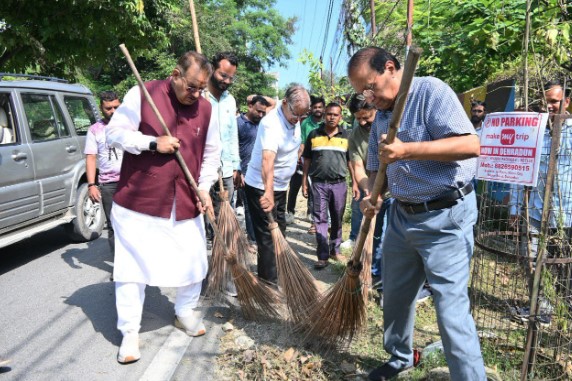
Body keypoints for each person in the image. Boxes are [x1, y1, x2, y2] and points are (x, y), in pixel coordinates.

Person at [350, 47, 485, 380]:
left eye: (370, 88)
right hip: (401, 216)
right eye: (361, 93)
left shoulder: (430, 92)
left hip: (445, 217)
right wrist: (372, 196)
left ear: (391, 69)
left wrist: (407, 149)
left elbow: (470, 145)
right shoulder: (381, 112)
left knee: (451, 313)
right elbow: (374, 170)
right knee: (395, 296)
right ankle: (400, 357)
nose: (367, 98)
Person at [106, 51, 220, 364]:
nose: (195, 94)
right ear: (175, 74)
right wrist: (152, 143)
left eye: (201, 89)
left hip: (184, 199)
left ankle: (184, 312)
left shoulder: (208, 110)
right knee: (132, 270)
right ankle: (129, 333)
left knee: (195, 262)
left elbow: (211, 154)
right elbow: (113, 134)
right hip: (139, 202)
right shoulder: (142, 94)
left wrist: (205, 187)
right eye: (191, 87)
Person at [508, 80, 572, 325]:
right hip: (535, 210)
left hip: (567, 214)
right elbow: (519, 170)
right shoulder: (533, 133)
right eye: (546, 102)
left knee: (565, 270)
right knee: (531, 260)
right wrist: (515, 207)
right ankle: (541, 309)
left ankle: (567, 311)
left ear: (566, 101)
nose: (550, 106)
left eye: (555, 101)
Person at [244, 84, 310, 283]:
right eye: (295, 115)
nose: (298, 120)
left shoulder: (291, 112)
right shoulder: (271, 124)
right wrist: (268, 193)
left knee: (280, 230)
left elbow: (273, 101)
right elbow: (267, 161)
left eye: (301, 116)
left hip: (281, 186)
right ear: (284, 104)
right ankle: (268, 282)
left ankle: (279, 270)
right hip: (261, 186)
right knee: (267, 235)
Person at [343, 95, 390, 282]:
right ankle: (374, 274)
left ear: (376, 110)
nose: (362, 122)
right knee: (376, 232)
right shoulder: (355, 136)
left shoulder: (389, 126)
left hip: (395, 192)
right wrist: (369, 189)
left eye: (366, 117)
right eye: (358, 118)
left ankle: (386, 275)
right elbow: (358, 167)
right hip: (372, 191)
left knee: (391, 236)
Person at [302, 102, 350, 269]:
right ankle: (322, 255)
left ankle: (334, 251)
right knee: (320, 219)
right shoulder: (314, 135)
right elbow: (307, 159)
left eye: (335, 115)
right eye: (329, 114)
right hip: (318, 184)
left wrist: (357, 183)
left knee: (337, 217)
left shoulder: (346, 136)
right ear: (324, 115)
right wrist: (304, 181)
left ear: (340, 117)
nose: (331, 117)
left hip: (339, 184)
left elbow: (351, 162)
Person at [205, 52, 240, 239]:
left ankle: (221, 259)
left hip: (225, 168)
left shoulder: (230, 101)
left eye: (230, 77)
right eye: (222, 75)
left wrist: (236, 165)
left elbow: (232, 135)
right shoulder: (200, 96)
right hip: (202, 169)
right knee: (203, 215)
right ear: (212, 69)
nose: (226, 81)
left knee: (224, 216)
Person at [84, 91, 122, 256]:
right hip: (109, 185)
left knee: (136, 224)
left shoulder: (131, 126)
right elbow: (91, 157)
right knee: (114, 224)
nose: (113, 111)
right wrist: (92, 185)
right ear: (101, 108)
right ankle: (119, 267)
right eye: (108, 108)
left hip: (131, 182)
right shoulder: (95, 130)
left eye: (116, 107)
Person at [237, 95, 271, 249]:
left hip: (260, 173)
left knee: (261, 206)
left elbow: (275, 104)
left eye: (263, 112)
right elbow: (232, 147)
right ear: (249, 105)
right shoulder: (239, 123)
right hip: (244, 173)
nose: (261, 114)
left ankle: (259, 236)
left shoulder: (263, 125)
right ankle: (252, 239)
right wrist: (238, 170)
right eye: (258, 111)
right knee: (249, 209)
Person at [286, 95, 325, 230]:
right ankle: (290, 212)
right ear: (311, 109)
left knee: (314, 189)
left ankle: (310, 212)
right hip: (303, 161)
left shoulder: (326, 124)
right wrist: (297, 158)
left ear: (323, 108)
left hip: (318, 163)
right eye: (315, 107)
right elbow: (301, 142)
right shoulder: (305, 123)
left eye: (320, 107)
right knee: (295, 187)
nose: (317, 109)